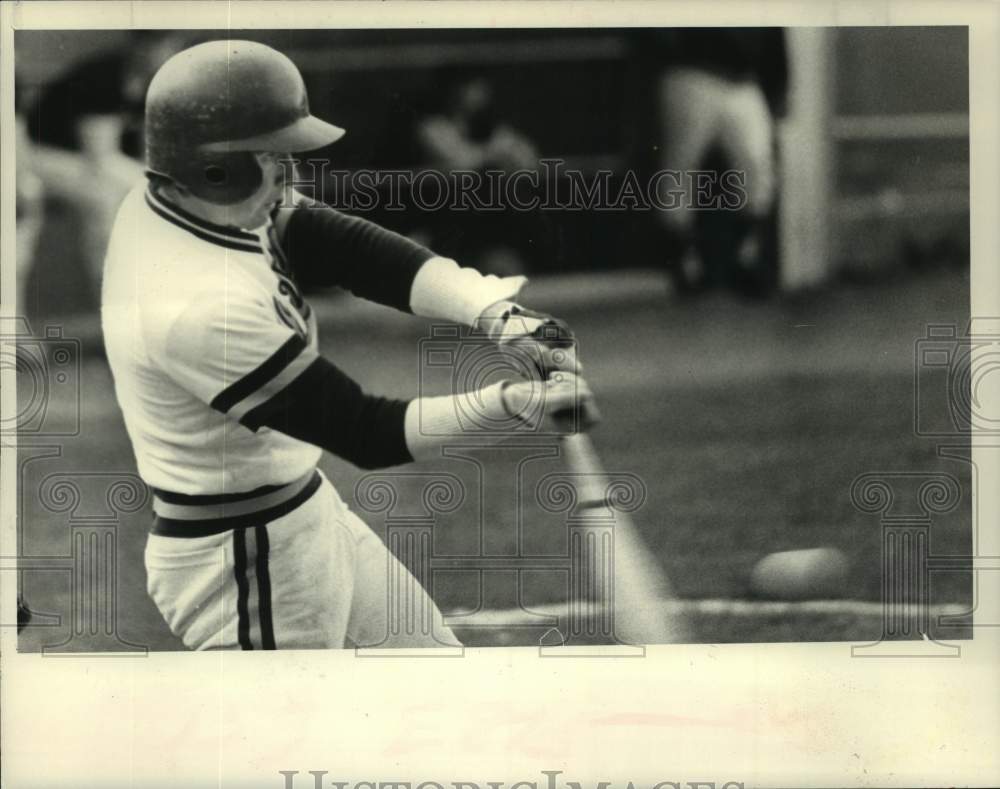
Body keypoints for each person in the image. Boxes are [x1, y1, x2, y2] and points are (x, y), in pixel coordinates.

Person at [101, 40, 594, 651]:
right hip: (246, 564)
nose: (291, 174)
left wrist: (495, 312)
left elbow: (345, 247)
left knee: (443, 699)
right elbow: (363, 430)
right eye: (274, 157)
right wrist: (513, 405)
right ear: (214, 167)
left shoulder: (190, 199)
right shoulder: (195, 306)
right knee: (296, 744)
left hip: (301, 514)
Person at [26, 32, 186, 300]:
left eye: (171, 45)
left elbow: (147, 154)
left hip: (83, 161)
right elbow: (102, 159)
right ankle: (114, 299)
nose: (164, 53)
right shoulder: (104, 76)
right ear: (136, 45)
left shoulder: (155, 83)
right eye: (155, 43)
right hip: (35, 152)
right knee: (105, 197)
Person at [632, 28, 788, 297]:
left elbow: (774, 33)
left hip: (743, 78)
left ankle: (746, 260)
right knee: (680, 172)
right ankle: (684, 265)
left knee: (758, 168)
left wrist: (779, 86)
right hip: (692, 71)